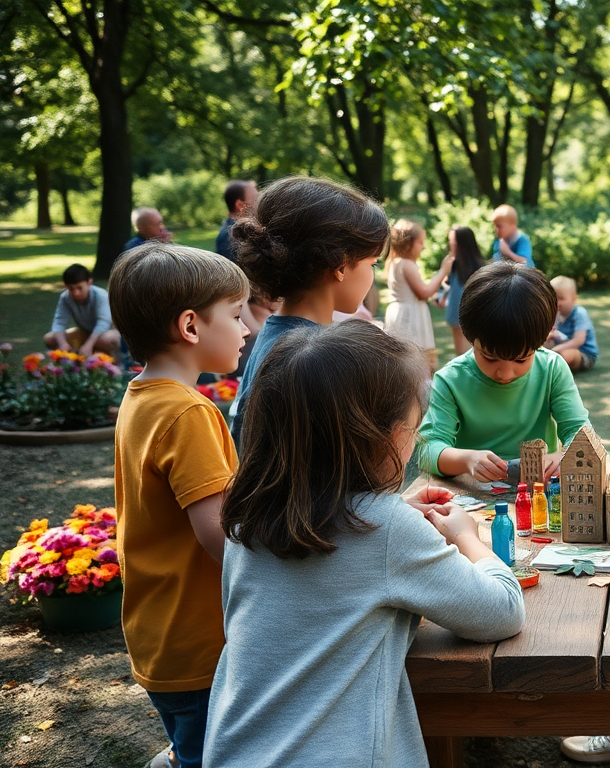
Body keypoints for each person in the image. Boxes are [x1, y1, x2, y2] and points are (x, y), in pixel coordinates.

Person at [204, 321, 524, 768]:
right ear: (394, 437)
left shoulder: (247, 515)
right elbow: (502, 610)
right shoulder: (387, 527)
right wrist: (467, 538)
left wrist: (390, 514)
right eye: (415, 430)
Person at [107, 244, 251, 768]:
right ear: (191, 326)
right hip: (200, 641)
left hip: (159, 632)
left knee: (194, 745)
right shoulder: (189, 412)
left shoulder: (142, 396)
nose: (247, 329)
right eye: (236, 315)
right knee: (215, 756)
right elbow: (218, 535)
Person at [228, 176, 389, 453]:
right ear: (339, 266)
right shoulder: (314, 354)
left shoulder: (275, 335)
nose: (373, 274)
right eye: (372, 264)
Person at [418, 261, 589, 484]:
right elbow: (427, 450)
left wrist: (562, 456)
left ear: (543, 339)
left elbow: (581, 434)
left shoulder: (552, 368)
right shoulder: (451, 379)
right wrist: (467, 459)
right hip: (471, 494)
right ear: (471, 337)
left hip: (536, 492)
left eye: (521, 359)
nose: (505, 373)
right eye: (489, 357)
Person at [383, 219, 450, 374]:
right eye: (420, 242)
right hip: (411, 315)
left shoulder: (395, 262)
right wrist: (443, 270)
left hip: (398, 311)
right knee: (419, 360)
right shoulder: (408, 265)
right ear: (408, 244)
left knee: (403, 357)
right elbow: (424, 293)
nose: (423, 246)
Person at [44, 263, 121, 357]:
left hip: (107, 332)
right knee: (49, 338)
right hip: (85, 332)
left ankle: (101, 355)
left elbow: (103, 323)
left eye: (79, 288)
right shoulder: (65, 297)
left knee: (106, 339)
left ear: (89, 283)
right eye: (71, 289)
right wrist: (62, 343)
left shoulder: (101, 295)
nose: (76, 293)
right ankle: (80, 355)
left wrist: (89, 344)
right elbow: (59, 322)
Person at [435, 225, 486, 357]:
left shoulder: (479, 267)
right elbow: (446, 283)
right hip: (455, 313)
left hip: (475, 315)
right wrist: (440, 297)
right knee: (461, 352)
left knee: (474, 350)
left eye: (453, 241)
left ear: (463, 244)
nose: (451, 244)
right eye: (450, 241)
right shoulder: (452, 263)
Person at [546, 275, 599, 373]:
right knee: (542, 347)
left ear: (574, 297)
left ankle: (553, 372)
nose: (557, 303)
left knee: (565, 354)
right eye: (554, 298)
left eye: (561, 298)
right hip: (562, 347)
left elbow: (578, 341)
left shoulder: (579, 313)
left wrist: (557, 350)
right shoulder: (557, 314)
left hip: (584, 353)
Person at [215, 180, 257, 262]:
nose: (260, 203)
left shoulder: (239, 231)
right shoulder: (231, 237)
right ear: (240, 205)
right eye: (256, 199)